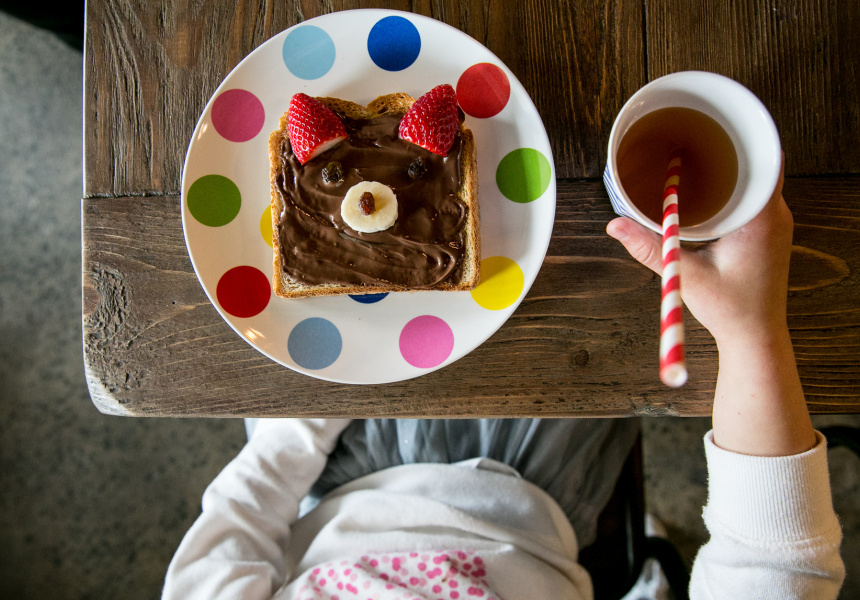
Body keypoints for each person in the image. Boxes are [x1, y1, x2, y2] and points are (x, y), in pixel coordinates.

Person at [162, 160, 846, 599]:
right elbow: (775, 569)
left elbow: (236, 527)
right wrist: (749, 330)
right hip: (536, 500)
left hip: (333, 480)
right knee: (588, 284)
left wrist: (311, 416)